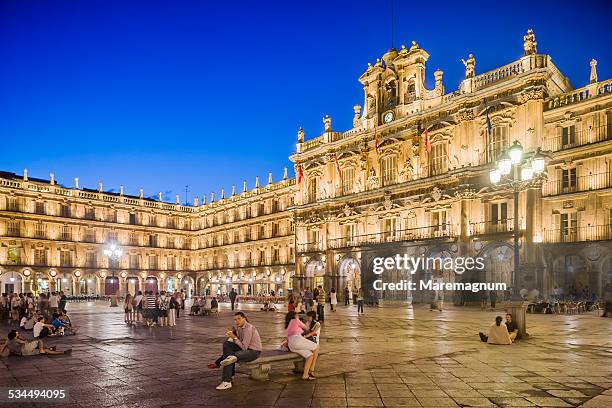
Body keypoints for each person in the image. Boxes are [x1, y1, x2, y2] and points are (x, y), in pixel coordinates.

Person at [209, 312, 262, 390]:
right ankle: (230, 376)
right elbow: (237, 344)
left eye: (239, 319)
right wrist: (233, 334)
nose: (237, 321)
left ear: (244, 318)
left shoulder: (249, 328)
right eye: (235, 320)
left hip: (253, 352)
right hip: (245, 350)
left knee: (231, 356)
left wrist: (234, 337)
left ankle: (226, 381)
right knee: (227, 345)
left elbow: (244, 347)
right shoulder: (239, 327)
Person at [284, 311, 319, 380]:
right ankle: (311, 370)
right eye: (297, 315)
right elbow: (306, 328)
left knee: (310, 356)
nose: (298, 316)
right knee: (316, 347)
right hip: (297, 340)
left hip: (291, 345)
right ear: (294, 316)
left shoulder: (288, 325)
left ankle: (305, 375)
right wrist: (307, 323)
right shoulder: (296, 320)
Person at [1, 330, 70, 357]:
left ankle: (62, 352)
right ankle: (62, 352)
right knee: (39, 341)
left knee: (44, 349)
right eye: (17, 333)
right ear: (14, 336)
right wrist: (22, 339)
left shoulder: (7, 342)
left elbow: (3, 349)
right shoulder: (16, 339)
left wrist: (1, 354)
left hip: (24, 354)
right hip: (24, 348)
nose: (18, 334)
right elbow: (24, 342)